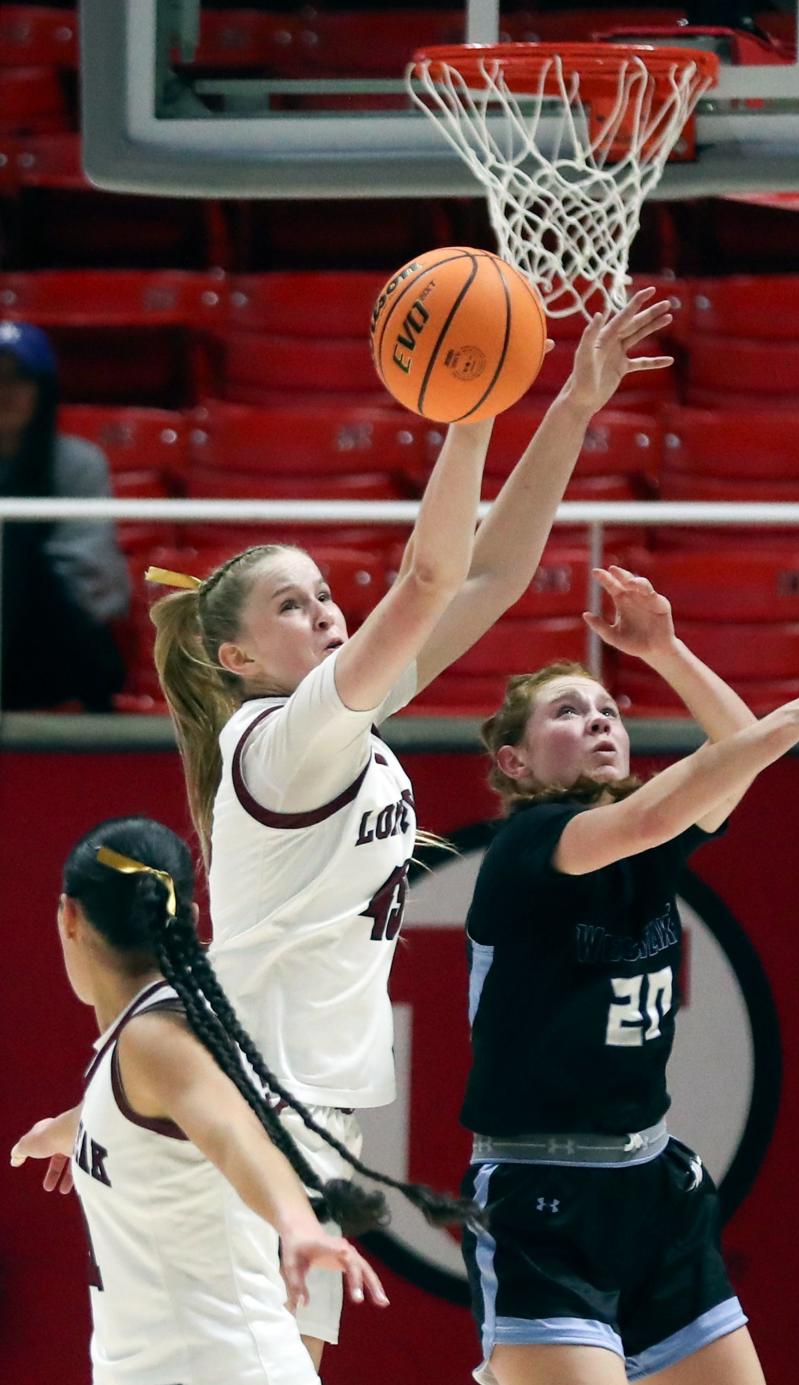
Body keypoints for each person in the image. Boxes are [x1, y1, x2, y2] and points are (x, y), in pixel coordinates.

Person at [143, 289, 675, 1371]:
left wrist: (571, 405)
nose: (328, 609)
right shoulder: (284, 738)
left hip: (307, 1095)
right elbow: (431, 577)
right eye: (292, 606)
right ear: (235, 659)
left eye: (324, 591)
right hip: (247, 1090)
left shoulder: (339, 723)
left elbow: (488, 576)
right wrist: (471, 404)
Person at [459, 565, 799, 1385]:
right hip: (543, 1193)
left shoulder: (646, 843)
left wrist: (667, 650)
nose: (598, 720)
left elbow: (734, 752)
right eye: (567, 712)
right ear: (516, 763)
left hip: (654, 1187)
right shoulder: (528, 847)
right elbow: (657, 807)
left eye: (608, 710)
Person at [9, 815, 391, 1385]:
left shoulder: (155, 1039)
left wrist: (298, 1226)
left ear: (69, 915)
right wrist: (68, 1129)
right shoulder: (151, 1037)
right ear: (187, 917)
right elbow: (176, 1112)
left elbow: (236, 1136)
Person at [0, 320, 129, 710]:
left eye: (18, 378)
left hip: (60, 646)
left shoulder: (78, 463)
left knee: (15, 541)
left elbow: (93, 586)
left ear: (43, 390)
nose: (4, 392)